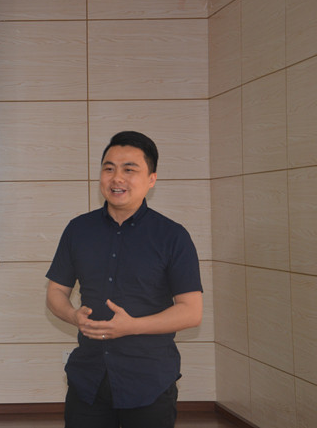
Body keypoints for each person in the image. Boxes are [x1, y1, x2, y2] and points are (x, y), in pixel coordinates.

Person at [45, 131, 203, 428]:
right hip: (88, 380)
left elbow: (192, 312)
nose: (116, 178)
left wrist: (133, 326)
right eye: (109, 168)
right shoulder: (78, 230)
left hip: (149, 381)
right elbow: (55, 292)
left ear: (151, 179)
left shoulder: (173, 236)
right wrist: (73, 315)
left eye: (129, 170)